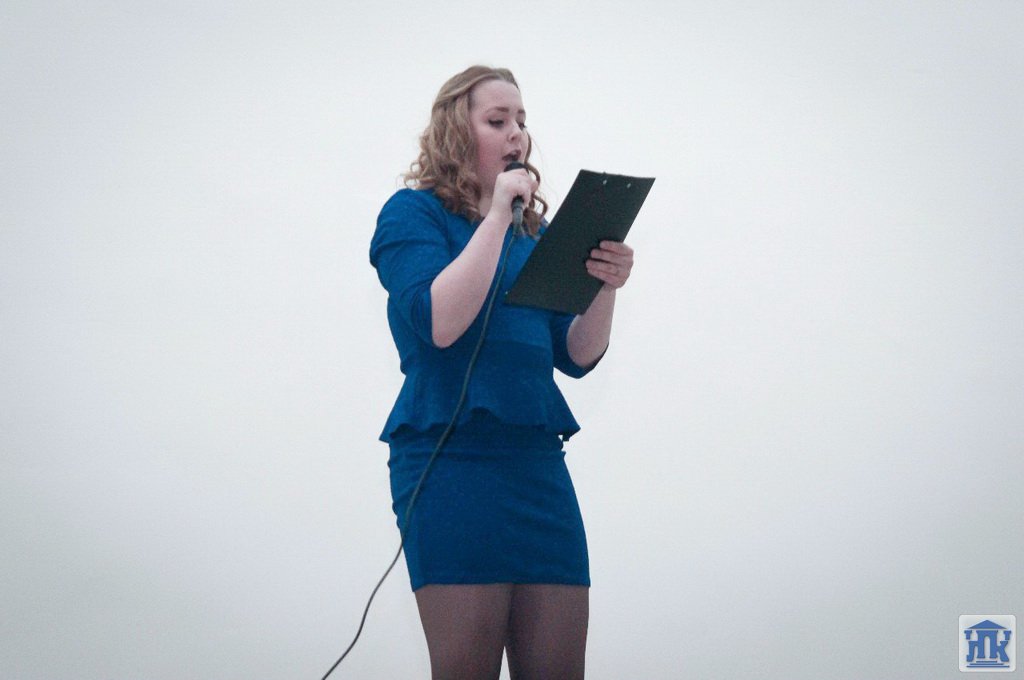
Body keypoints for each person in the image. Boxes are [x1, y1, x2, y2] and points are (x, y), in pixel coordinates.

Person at [369, 65, 634, 680]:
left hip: (536, 465)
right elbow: (440, 321)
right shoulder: (412, 215)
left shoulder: (533, 234)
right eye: (497, 120)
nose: (517, 133)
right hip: (450, 462)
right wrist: (494, 218)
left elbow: (576, 355)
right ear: (456, 133)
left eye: (521, 120)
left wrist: (604, 286)